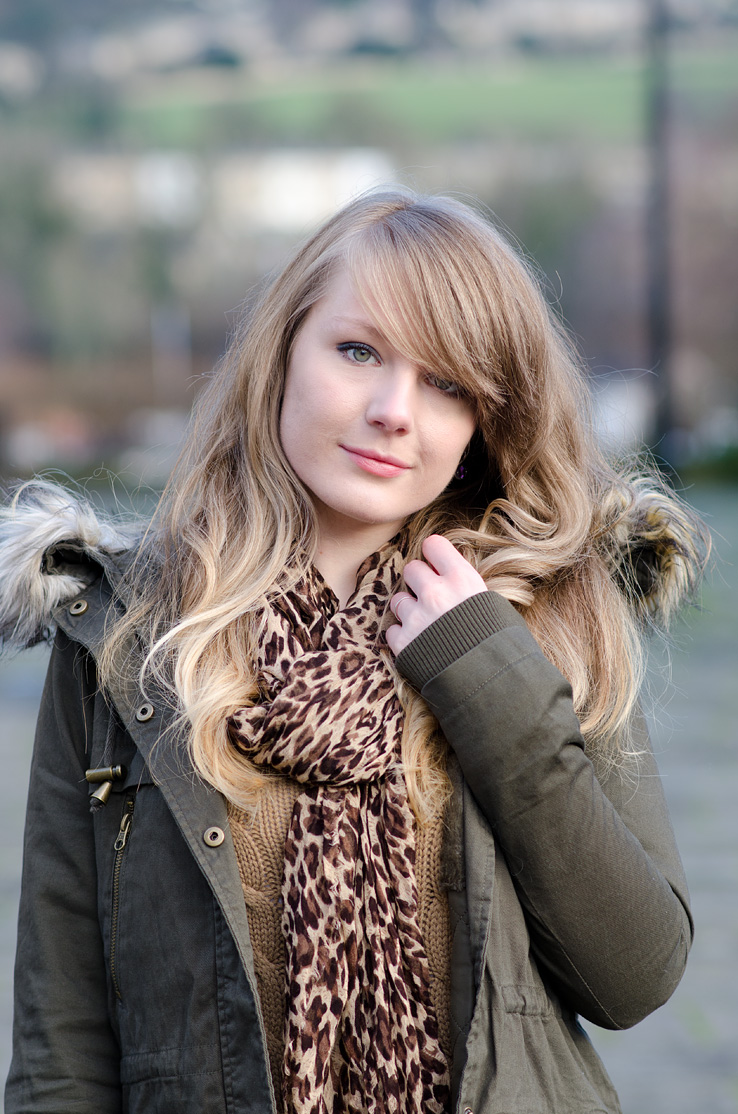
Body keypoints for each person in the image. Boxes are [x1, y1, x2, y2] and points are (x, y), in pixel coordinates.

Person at [1, 188, 708, 1114]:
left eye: (448, 381)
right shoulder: (130, 631)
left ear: (487, 420)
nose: (393, 410)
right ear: (284, 353)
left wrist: (488, 680)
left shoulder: (551, 613)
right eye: (359, 350)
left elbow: (636, 975)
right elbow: (61, 1042)